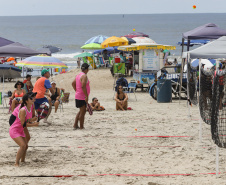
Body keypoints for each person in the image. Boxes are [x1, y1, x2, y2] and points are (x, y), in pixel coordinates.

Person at [9, 92, 39, 167]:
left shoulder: (30, 106)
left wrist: (33, 119)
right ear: (26, 100)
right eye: (31, 98)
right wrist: (33, 124)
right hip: (15, 129)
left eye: (34, 97)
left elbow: (27, 120)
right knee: (23, 145)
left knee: (26, 145)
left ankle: (22, 160)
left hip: (20, 128)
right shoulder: (23, 110)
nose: (33, 98)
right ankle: (16, 163)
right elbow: (23, 123)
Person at [72, 63, 90, 130]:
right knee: (83, 112)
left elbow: (73, 83)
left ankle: (75, 125)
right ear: (87, 69)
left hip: (78, 95)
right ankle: (81, 126)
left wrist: (77, 91)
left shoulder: (78, 75)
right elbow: (83, 86)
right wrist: (86, 96)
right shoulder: (84, 76)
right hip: (82, 96)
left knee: (81, 111)